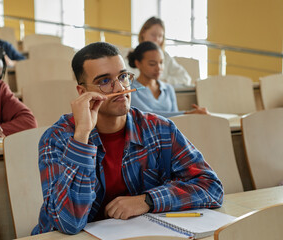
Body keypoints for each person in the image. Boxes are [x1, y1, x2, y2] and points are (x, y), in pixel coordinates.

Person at [32, 42, 223, 235]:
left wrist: (147, 200)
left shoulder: (159, 129)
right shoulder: (57, 139)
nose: (121, 88)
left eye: (123, 76)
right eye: (105, 81)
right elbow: (69, 223)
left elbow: (211, 187)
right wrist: (82, 136)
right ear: (82, 92)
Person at [128, 41, 208, 117]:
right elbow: (145, 115)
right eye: (152, 64)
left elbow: (176, 119)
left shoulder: (168, 88)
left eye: (161, 62)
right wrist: (187, 113)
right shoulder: (130, 89)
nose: (159, 68)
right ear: (138, 63)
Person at [139, 16, 192, 86]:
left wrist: (163, 81)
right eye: (153, 35)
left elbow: (185, 78)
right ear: (143, 33)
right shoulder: (131, 55)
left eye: (160, 36)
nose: (156, 39)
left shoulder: (165, 56)